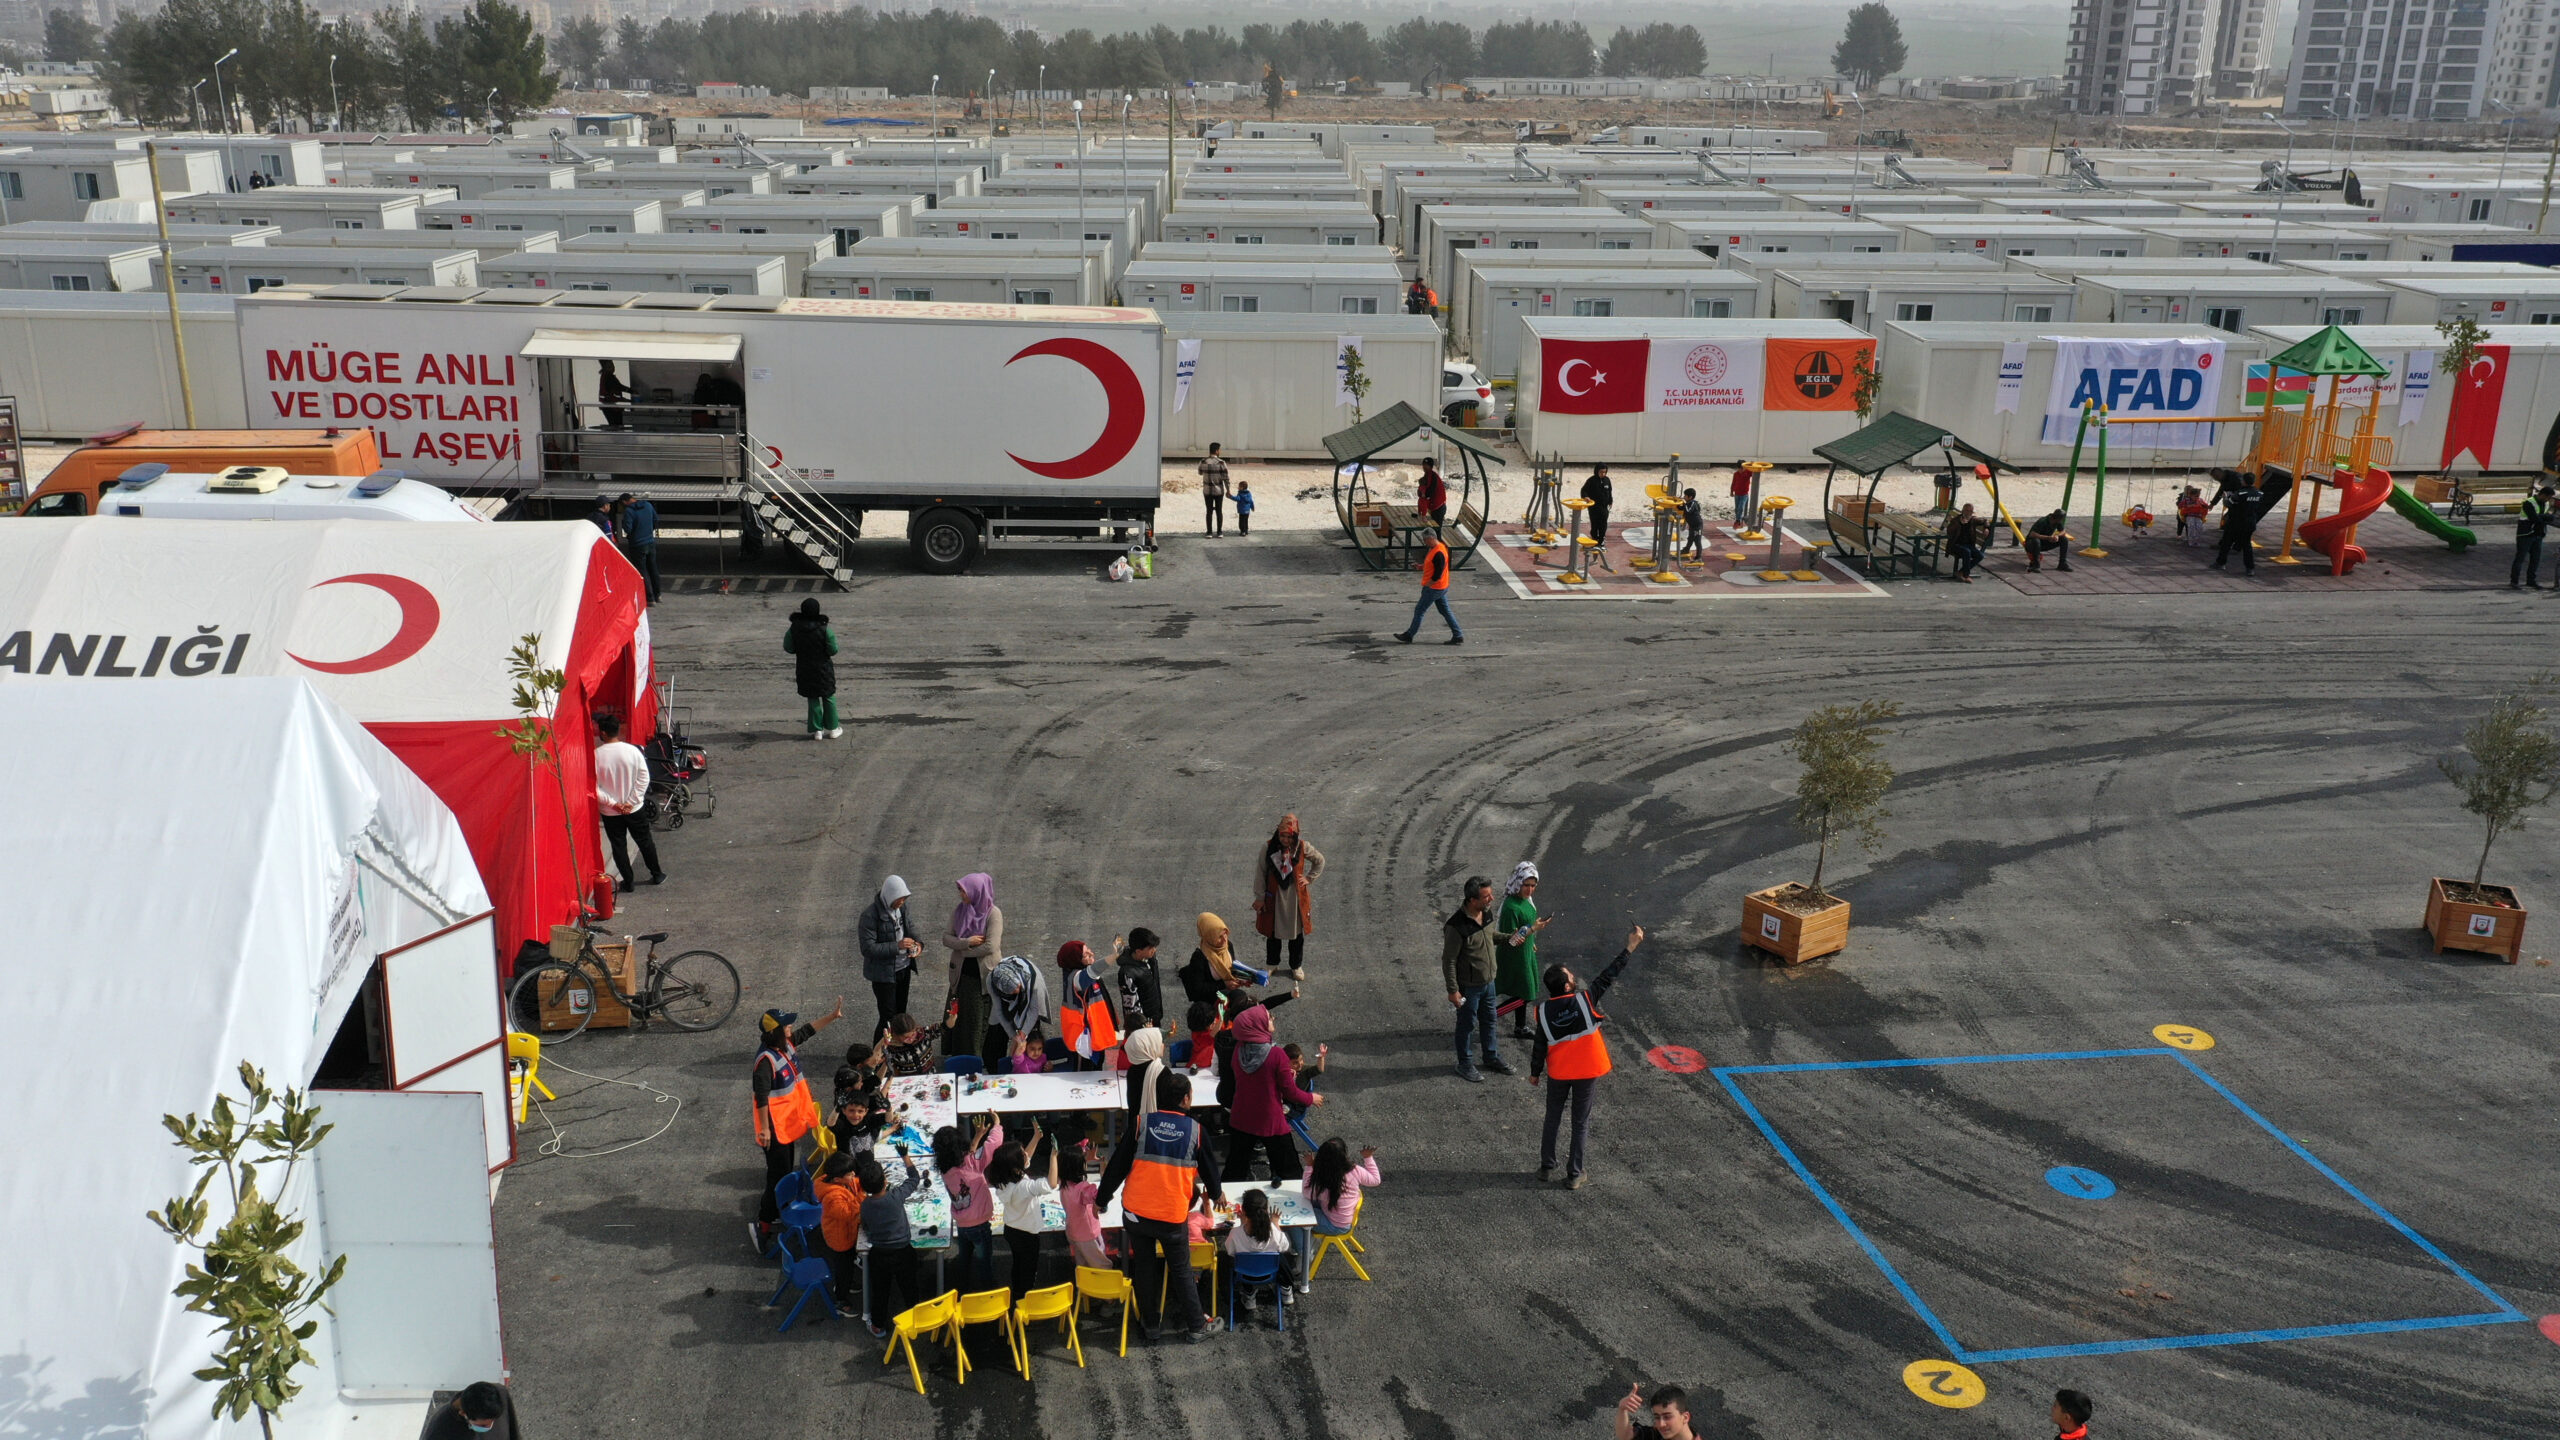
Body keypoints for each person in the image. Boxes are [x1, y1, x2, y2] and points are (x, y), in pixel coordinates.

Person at [1095, 1070, 1222, 1343]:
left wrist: (1102, 1200)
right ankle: (1196, 1325)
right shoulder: (1196, 1131)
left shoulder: (1141, 1123)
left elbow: (1117, 1166)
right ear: (1187, 1099)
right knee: (1181, 1269)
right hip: (1171, 1216)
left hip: (1136, 1213)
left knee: (1144, 1267)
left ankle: (1150, 1324)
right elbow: (1211, 1171)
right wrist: (1216, 1193)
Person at [1530, 925, 1645, 1188]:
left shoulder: (1543, 1011)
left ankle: (1546, 1166)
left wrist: (1535, 1072)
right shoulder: (1585, 1001)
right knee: (1580, 1122)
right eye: (1571, 974)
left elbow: (1539, 1044)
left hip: (1558, 1073)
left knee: (1552, 1117)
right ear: (1569, 985)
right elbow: (1608, 975)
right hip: (1586, 1071)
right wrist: (1631, 946)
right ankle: (1574, 1174)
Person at [749, 1000, 843, 1244]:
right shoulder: (765, 1062)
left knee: (783, 1171)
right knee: (777, 1177)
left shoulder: (784, 1045)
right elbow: (760, 1099)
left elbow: (807, 1031)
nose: (791, 1028)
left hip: (787, 1125)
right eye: (786, 1025)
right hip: (775, 1129)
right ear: (775, 1031)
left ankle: (777, 1210)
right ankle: (764, 1224)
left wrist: (832, 1016)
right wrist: (765, 1131)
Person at [1226, 1002, 1322, 1181]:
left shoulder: (1239, 1049)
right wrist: (1310, 1098)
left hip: (1242, 1116)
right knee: (1290, 1171)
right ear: (1257, 1025)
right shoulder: (1277, 1054)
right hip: (1270, 1119)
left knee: (1234, 1169)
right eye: (1268, 1017)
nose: (1272, 1018)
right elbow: (1290, 1092)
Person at [1442, 875, 1510, 1081]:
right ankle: (1465, 1064)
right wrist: (1453, 991)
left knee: (1490, 1020)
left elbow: (1490, 937)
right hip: (1468, 988)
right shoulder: (1456, 927)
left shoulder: (1486, 914)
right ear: (1472, 900)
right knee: (1466, 1025)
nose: (1491, 899)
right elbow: (1449, 961)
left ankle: (1491, 1057)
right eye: (1486, 896)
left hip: (1488, 983)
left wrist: (1510, 937)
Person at [1249, 815, 1326, 980]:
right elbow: (1260, 873)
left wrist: (1309, 878)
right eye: (1282, 835)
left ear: (1295, 836)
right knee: (1273, 932)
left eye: (1289, 836)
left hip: (1295, 900)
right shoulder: (1268, 848)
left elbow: (1319, 861)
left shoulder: (1302, 847)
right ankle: (1272, 963)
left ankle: (1296, 966)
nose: (1285, 839)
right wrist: (1260, 897)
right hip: (1274, 898)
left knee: (1296, 935)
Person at [858, 1150, 925, 1336]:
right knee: (910, 1287)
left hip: (879, 1255)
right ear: (885, 1181)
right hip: (904, 1252)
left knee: (880, 1291)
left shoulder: (865, 1205)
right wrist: (905, 1157)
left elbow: (865, 1226)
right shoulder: (896, 1196)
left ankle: (878, 1325)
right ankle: (917, 1319)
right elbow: (914, 1178)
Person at [592, 713, 661, 893]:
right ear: (618, 731)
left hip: (610, 812)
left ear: (604, 733)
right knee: (645, 840)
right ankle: (657, 874)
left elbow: (592, 786)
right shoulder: (632, 751)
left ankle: (628, 882)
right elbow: (644, 778)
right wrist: (631, 801)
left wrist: (614, 804)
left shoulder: (596, 756)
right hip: (635, 808)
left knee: (618, 846)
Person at [991, 1121, 1059, 1296]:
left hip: (1011, 1230)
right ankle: (1024, 1300)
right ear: (1016, 1166)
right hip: (1027, 1235)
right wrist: (1053, 1157)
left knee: (1018, 1264)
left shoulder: (1004, 1179)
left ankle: (1017, 1294)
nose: (1026, 1155)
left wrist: (1036, 1137)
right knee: (1028, 1270)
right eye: (1022, 1154)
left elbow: (1025, 1158)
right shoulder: (1025, 1186)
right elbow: (1051, 1183)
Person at [936, 1116, 1002, 1293]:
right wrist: (997, 1125)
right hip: (980, 1224)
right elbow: (993, 1144)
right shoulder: (972, 1163)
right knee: (984, 1260)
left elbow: (970, 1156)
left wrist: (977, 1136)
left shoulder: (945, 1168)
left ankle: (962, 1286)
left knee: (964, 1256)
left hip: (962, 1223)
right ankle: (987, 1291)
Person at [942, 873, 1002, 1062]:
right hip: (961, 975)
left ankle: (975, 1057)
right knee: (958, 1015)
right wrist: (967, 942)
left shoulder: (993, 913)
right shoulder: (960, 911)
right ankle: (958, 1054)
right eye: (960, 890)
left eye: (964, 891)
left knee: (976, 1018)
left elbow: (991, 946)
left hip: (981, 977)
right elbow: (946, 938)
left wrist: (964, 951)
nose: (961, 894)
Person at [1306, 1136, 1377, 1293]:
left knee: (1300, 1220)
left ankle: (1303, 1251)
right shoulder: (1354, 1170)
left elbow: (1306, 1193)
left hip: (1334, 1226)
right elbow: (1375, 1180)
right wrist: (1368, 1158)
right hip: (1346, 1220)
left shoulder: (1324, 1182)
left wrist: (1309, 1168)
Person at [858, 874, 923, 1036]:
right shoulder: (870, 916)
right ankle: (879, 1054)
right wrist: (897, 946)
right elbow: (868, 948)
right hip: (884, 976)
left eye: (904, 899)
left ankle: (899, 1049)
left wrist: (918, 943)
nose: (901, 902)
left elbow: (910, 927)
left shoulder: (902, 908)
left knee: (901, 1015)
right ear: (889, 896)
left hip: (904, 968)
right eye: (899, 899)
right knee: (887, 1018)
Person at [1495, 861, 1551, 1040]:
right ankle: (1492, 1015)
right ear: (1518, 883)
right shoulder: (1511, 907)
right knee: (1526, 993)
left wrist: (1532, 939)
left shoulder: (1527, 901)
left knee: (1524, 991)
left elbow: (1526, 925)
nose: (1530, 889)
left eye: (1533, 885)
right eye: (1526, 885)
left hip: (1526, 952)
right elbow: (1510, 938)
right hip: (1515, 956)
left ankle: (1520, 1027)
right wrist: (1533, 930)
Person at [1222, 1187, 1297, 1317]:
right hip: (1271, 1273)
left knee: (1229, 1259)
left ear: (1243, 1211)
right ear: (1266, 1210)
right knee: (1283, 1257)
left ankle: (1249, 1295)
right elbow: (1285, 1247)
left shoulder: (1235, 1234)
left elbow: (1230, 1252)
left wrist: (1241, 1224)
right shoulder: (1273, 1231)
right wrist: (1276, 1224)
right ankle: (1286, 1290)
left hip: (1246, 1275)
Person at [1180, 911, 1272, 1006]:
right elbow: (1197, 989)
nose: (1224, 939)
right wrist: (1224, 984)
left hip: (1227, 996)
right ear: (1209, 936)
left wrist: (1244, 978)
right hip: (1211, 1001)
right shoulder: (1199, 958)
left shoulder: (1228, 945)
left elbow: (1232, 969)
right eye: (1219, 937)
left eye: (1225, 933)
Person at [1056, 939, 1122, 1068]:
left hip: (1094, 1034)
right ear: (1075, 960)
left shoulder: (1083, 973)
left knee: (1097, 1067)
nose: (1091, 953)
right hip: (1084, 1040)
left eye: (1089, 949)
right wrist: (1114, 956)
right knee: (1085, 1073)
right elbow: (1094, 970)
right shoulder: (1076, 978)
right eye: (1085, 954)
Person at [812, 1149, 866, 1307]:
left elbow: (856, 1183)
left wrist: (866, 1181)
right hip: (840, 1240)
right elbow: (849, 1214)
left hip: (847, 1233)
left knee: (847, 1265)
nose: (853, 1175)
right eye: (850, 1174)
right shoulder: (832, 1197)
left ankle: (847, 1284)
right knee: (844, 1269)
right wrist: (862, 1195)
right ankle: (841, 1299)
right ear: (837, 1179)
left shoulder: (837, 1180)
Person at [1393, 524, 1462, 645]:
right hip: (1441, 587)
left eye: (1425, 540)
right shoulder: (1437, 548)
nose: (1425, 543)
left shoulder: (1438, 553)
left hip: (1435, 588)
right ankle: (1458, 634)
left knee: (1419, 610)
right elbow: (1432, 566)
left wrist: (1427, 586)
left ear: (1431, 538)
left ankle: (1409, 635)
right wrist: (1421, 567)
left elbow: (1437, 575)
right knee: (1445, 611)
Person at [783, 598, 840, 740]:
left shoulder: (794, 628)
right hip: (823, 667)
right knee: (828, 696)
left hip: (804, 667)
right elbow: (833, 650)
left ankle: (817, 731)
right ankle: (833, 728)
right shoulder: (825, 629)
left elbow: (788, 647)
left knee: (812, 697)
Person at [986, 951, 1050, 1061]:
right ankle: (995, 1066)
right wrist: (1013, 1036)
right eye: (1013, 993)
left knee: (1030, 1037)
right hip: (1006, 1004)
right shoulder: (991, 980)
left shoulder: (1033, 983)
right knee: (997, 1035)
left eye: (1018, 988)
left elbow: (1033, 1011)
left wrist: (1022, 1034)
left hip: (1028, 997)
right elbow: (999, 1011)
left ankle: (1030, 1066)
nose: (1017, 991)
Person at [1058, 1141, 1109, 1271]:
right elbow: (1103, 1196)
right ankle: (1106, 1288)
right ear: (1079, 1167)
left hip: (1073, 1232)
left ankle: (1084, 1288)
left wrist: (1085, 1158)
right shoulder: (1084, 1189)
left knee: (1083, 1266)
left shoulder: (1063, 1182)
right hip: (1089, 1235)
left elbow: (1069, 1159)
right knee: (1102, 1266)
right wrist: (1103, 1169)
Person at [418, 1381, 522, 1440]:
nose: (490, 1427)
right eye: (483, 1426)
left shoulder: (499, 1394)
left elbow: (513, 1431)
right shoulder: (440, 1431)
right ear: (463, 1413)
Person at [1114, 927, 1167, 1029]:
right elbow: (1131, 1006)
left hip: (1154, 1016)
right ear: (1138, 951)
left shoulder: (1149, 958)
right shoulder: (1127, 974)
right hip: (1144, 1025)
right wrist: (1142, 1026)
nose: (1154, 950)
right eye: (1151, 948)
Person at [1613, 1383, 1699, 1440]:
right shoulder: (1657, 1435)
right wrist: (1622, 1409)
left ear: (1685, 1417)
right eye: (1657, 1417)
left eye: (1667, 1417)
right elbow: (1626, 1436)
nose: (1661, 1424)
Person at [2213, 480, 2264, 574]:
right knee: (2247, 546)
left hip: (2235, 522)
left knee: (2226, 544)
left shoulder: (2240, 493)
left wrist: (2225, 497)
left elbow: (2228, 504)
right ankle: (2250, 569)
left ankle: (2220, 563)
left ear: (2244, 482)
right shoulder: (2260, 493)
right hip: (2249, 523)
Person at [618, 492, 660, 604]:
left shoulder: (629, 512)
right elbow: (656, 520)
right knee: (653, 568)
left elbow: (628, 529)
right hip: (650, 542)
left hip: (637, 545)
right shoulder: (648, 505)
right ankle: (658, 595)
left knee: (643, 571)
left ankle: (650, 598)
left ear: (624, 502)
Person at [1124, 1023, 1171, 1119]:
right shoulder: (1162, 1072)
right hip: (1156, 1125)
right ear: (1150, 1047)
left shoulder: (1132, 1070)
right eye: (1160, 1042)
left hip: (1136, 1124)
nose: (1163, 1045)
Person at [2513, 482, 2554, 589]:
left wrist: (2543, 517)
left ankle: (2531, 580)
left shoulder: (2546, 504)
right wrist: (2544, 517)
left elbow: (2550, 518)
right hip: (2526, 534)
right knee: (2520, 558)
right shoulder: (2528, 503)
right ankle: (2514, 581)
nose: (2548, 500)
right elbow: (2534, 518)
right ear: (2542, 495)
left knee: (2535, 559)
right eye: (2547, 497)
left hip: (2538, 534)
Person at [1944, 503, 1988, 583]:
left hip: (1969, 545)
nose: (1968, 513)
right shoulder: (1956, 520)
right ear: (1963, 511)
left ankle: (1961, 572)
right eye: (1967, 510)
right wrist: (1958, 524)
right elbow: (1949, 532)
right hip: (1955, 545)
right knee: (1966, 552)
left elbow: (1985, 520)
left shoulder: (1973, 520)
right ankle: (1966, 575)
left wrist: (1986, 528)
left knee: (1980, 556)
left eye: (1970, 511)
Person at [1199, 442, 1231, 536]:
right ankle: (1219, 532)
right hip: (1219, 490)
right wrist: (1228, 490)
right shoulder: (1221, 463)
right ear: (1217, 451)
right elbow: (1226, 478)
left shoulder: (1203, 461)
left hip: (1207, 490)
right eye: (1219, 450)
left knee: (1209, 511)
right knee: (1219, 511)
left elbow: (1200, 472)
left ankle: (1209, 532)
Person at [1582, 464, 1615, 545]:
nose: (1603, 474)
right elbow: (1584, 490)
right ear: (1597, 471)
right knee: (1595, 524)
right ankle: (1594, 538)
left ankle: (1601, 539)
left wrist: (1610, 501)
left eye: (1604, 472)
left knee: (1603, 524)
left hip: (1604, 507)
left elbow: (1609, 491)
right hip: (1594, 507)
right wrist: (1586, 497)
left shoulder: (1607, 480)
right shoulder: (1591, 480)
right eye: (1601, 472)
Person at [595, 360, 630, 429]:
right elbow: (618, 387)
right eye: (610, 366)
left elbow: (617, 388)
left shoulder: (606, 376)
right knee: (617, 426)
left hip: (609, 405)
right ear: (605, 367)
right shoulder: (609, 377)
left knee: (616, 426)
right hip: (610, 406)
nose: (613, 367)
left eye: (612, 365)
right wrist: (630, 392)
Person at [1416, 458, 1448, 527]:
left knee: (1436, 531)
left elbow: (1429, 493)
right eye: (1423, 465)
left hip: (1438, 507)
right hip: (1434, 506)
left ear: (1431, 466)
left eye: (1426, 465)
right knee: (1432, 530)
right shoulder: (1427, 475)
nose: (1424, 467)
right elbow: (1423, 490)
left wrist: (1422, 494)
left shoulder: (1433, 477)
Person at [1678, 487, 1706, 561]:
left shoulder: (1693, 503)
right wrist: (1678, 504)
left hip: (1697, 525)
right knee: (1690, 538)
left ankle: (1699, 557)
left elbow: (1688, 511)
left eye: (1685, 496)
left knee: (1697, 540)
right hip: (1692, 525)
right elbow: (1682, 508)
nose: (1684, 497)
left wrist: (1684, 504)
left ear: (1690, 497)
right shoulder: (1688, 503)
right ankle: (1686, 549)